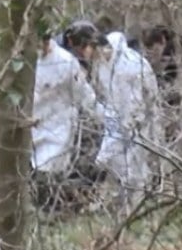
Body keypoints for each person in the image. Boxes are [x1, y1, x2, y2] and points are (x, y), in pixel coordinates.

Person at [67, 22, 161, 206]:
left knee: (136, 174)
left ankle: (138, 209)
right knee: (110, 162)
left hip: (140, 124)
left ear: (89, 44)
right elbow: (111, 103)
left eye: (80, 49)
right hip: (119, 123)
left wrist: (124, 134)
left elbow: (138, 107)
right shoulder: (102, 65)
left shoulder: (129, 65)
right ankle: (124, 204)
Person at [31, 31, 104, 213]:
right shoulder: (28, 60)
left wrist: (104, 117)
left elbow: (84, 93)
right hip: (33, 123)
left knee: (48, 168)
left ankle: (50, 211)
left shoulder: (66, 62)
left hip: (59, 125)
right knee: (33, 170)